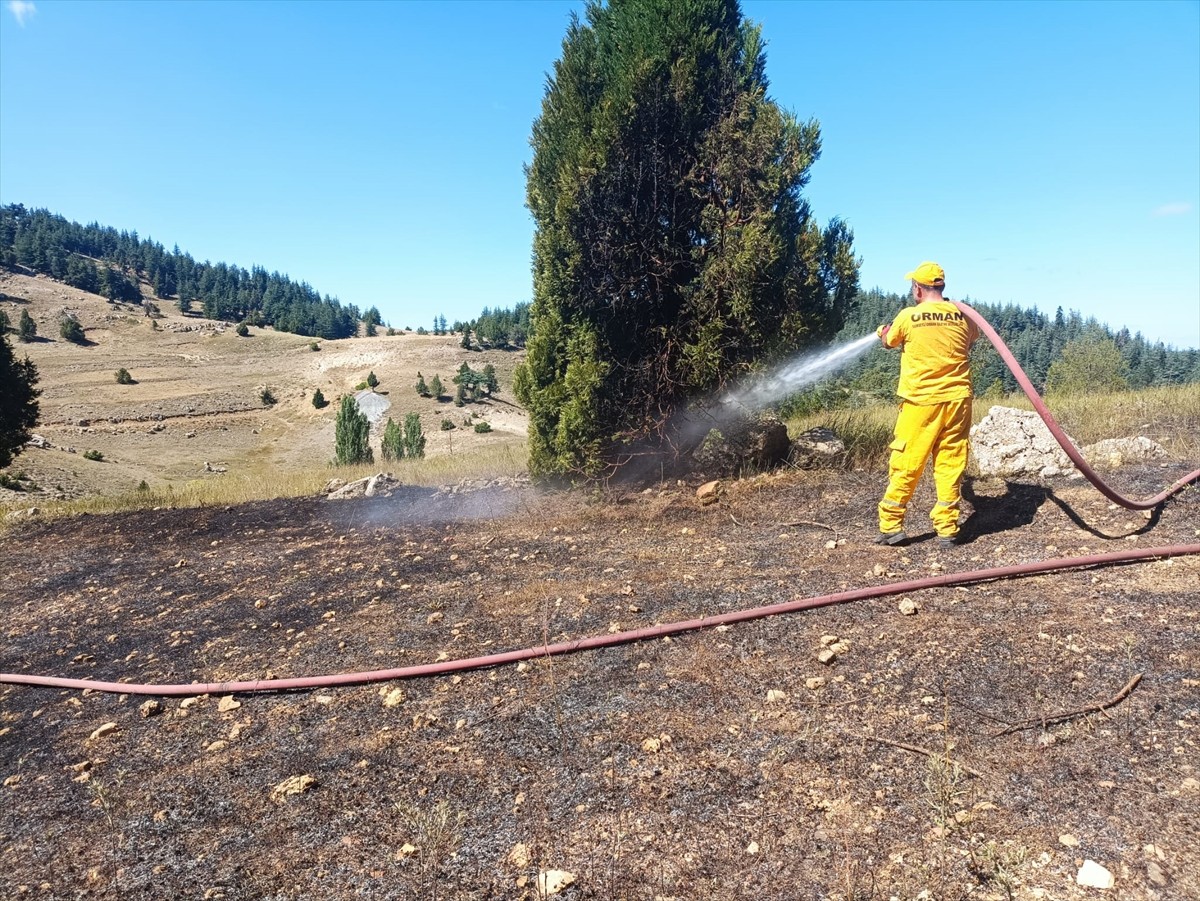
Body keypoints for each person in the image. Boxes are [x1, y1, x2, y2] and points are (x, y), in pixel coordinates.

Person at [874, 262, 979, 548]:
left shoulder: (908, 316)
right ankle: (947, 529)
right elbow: (969, 342)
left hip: (921, 401)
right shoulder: (964, 315)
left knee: (907, 461)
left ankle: (891, 526)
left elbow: (889, 341)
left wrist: (883, 331)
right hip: (958, 400)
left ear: (918, 289)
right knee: (950, 462)